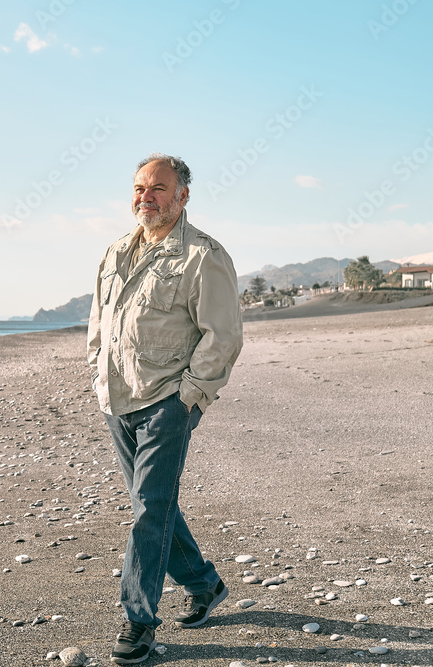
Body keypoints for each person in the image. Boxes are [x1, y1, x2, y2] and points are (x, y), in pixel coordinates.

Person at [87, 153, 244, 664]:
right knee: (154, 505)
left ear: (182, 196)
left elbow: (222, 336)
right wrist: (97, 373)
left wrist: (189, 397)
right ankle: (204, 584)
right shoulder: (115, 252)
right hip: (118, 399)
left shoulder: (204, 256)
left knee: (149, 511)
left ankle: (138, 622)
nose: (145, 197)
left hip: (166, 402)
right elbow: (100, 326)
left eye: (158, 188)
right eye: (138, 188)